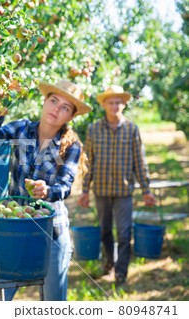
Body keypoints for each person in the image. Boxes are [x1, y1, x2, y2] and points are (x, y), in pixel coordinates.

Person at [0, 80, 92, 301]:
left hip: (51, 233)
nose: (56, 109)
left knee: (53, 303)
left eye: (65, 107)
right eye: (54, 101)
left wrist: (47, 191)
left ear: (71, 117)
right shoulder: (21, 128)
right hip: (16, 228)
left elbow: (65, 186)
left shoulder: (71, 145)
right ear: (44, 101)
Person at [78, 85, 156, 284]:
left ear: (123, 104)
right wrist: (85, 190)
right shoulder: (94, 129)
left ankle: (121, 271)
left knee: (124, 231)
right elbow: (89, 161)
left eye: (118, 102)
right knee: (105, 230)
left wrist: (146, 190)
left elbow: (139, 160)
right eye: (110, 102)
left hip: (123, 191)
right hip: (102, 190)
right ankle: (109, 265)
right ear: (104, 104)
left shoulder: (131, 128)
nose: (114, 106)